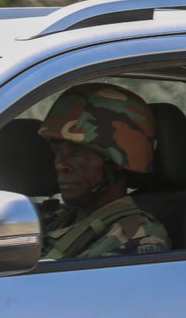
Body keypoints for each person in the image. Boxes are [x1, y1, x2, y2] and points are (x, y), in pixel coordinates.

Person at [36, 82, 170, 258]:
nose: (60, 164)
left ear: (117, 162)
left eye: (77, 152)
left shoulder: (137, 238)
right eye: (58, 150)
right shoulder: (56, 219)